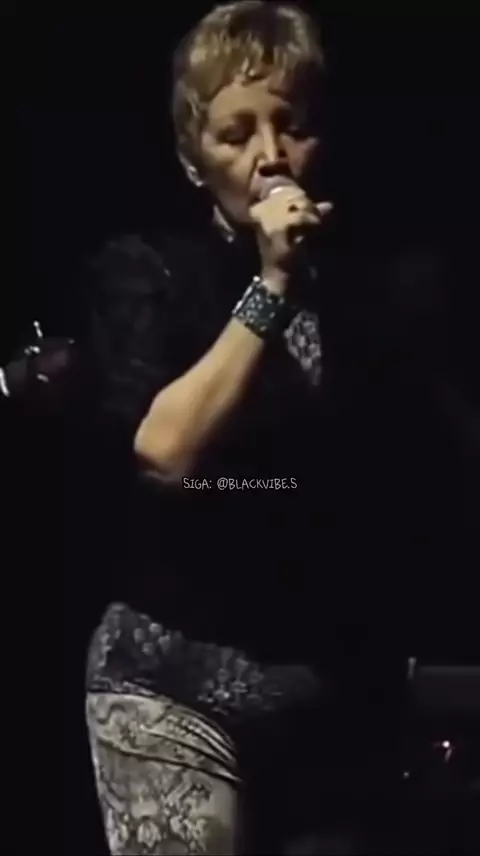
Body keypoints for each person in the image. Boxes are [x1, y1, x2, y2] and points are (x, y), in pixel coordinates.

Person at [4, 2, 468, 854]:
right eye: (236, 133)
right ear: (193, 158)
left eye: (293, 127)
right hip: (171, 686)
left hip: (335, 698)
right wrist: (273, 285)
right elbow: (165, 452)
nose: (270, 156)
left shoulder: (388, 290)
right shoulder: (147, 272)